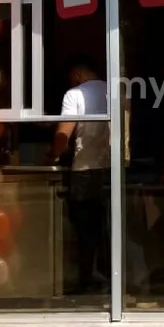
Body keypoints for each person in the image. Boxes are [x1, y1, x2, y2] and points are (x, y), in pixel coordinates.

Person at [49, 56, 111, 294]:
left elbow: (63, 135)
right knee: (106, 226)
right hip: (110, 168)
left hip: (84, 170)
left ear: (77, 73)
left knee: (84, 228)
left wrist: (52, 155)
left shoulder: (74, 95)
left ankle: (86, 279)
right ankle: (109, 277)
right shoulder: (114, 91)